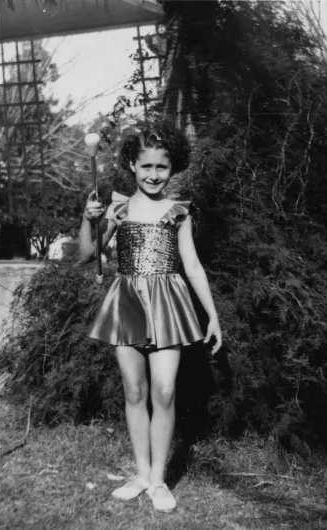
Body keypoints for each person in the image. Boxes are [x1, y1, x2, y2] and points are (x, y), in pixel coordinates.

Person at [77, 124, 222, 513]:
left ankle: (158, 479)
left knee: (164, 391)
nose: (154, 174)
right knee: (135, 391)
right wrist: (88, 219)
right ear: (131, 164)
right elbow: (88, 253)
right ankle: (141, 474)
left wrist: (212, 315)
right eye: (146, 166)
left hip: (168, 303)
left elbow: (191, 265)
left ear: (172, 167)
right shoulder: (119, 207)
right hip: (126, 301)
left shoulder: (178, 211)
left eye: (162, 166)